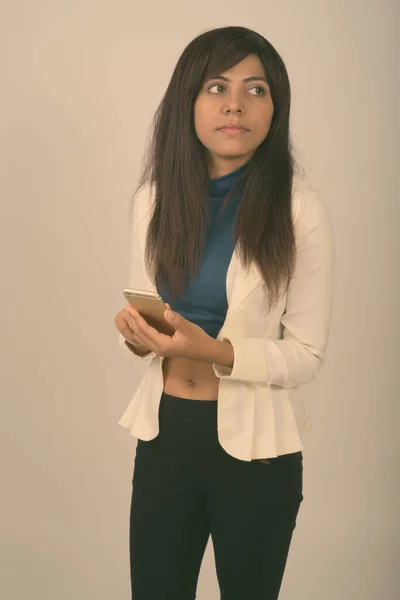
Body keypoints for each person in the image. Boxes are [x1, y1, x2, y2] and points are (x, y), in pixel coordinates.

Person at [114, 25, 335, 600]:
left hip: (257, 451)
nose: (235, 104)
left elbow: (306, 355)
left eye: (255, 89)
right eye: (216, 86)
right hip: (165, 438)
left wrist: (207, 350)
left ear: (274, 106)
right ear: (188, 99)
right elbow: (152, 318)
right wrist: (138, 335)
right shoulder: (153, 200)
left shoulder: (299, 209)